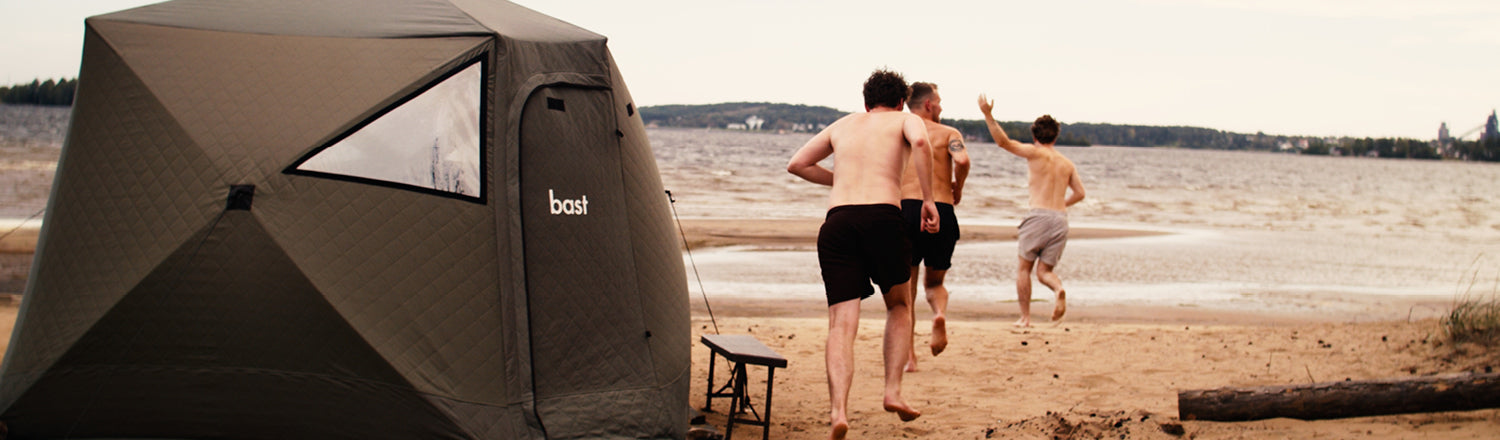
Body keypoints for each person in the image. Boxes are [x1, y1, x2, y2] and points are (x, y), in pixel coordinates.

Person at [788, 69, 939, 440]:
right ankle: (892, 391)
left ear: (866, 103)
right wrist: (928, 200)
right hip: (883, 217)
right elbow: (921, 143)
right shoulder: (905, 120)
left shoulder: (842, 125)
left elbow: (797, 164)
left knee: (841, 323)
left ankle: (838, 411)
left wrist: (840, 179)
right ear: (901, 101)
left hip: (837, 222)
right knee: (899, 306)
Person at [977, 94, 1085, 328]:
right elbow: (1080, 193)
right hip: (1060, 219)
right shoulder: (1067, 163)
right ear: (1055, 136)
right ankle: (1058, 288)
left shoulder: (1035, 152)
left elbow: (1004, 142)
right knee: (1044, 271)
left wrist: (988, 114)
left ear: (1035, 136)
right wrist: (1061, 205)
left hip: (1038, 216)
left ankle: (1025, 317)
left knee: (1024, 269)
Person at [898, 82, 970, 371]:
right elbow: (962, 160)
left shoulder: (900, 130)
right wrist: (958, 187)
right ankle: (938, 313)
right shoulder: (950, 133)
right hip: (941, 208)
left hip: (906, 210)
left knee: (906, 293)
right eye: (938, 101)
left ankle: (910, 358)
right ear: (928, 104)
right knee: (935, 283)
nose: (941, 106)